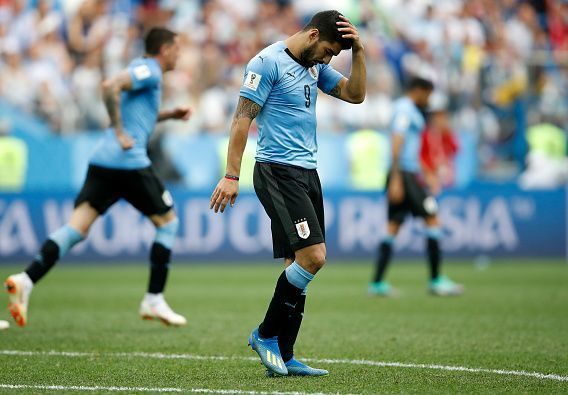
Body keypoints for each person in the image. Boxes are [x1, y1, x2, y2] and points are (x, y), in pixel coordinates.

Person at [210, 10, 365, 377]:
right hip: (277, 171)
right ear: (313, 35)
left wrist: (358, 50)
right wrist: (232, 175)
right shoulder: (266, 63)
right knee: (314, 257)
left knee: (296, 265)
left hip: (307, 172)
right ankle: (265, 335)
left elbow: (355, 95)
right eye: (328, 50)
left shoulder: (314, 66)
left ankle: (286, 353)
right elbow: (241, 120)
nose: (328, 59)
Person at [5, 27, 191, 327]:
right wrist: (118, 130)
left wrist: (170, 115)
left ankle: (26, 279)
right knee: (168, 223)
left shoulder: (143, 71)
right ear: (165, 48)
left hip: (103, 162)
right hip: (128, 163)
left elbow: (137, 115)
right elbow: (110, 86)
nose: (180, 54)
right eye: (177, 48)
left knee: (76, 228)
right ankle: (153, 299)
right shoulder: (151, 70)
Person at [369, 77, 463, 297]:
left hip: (406, 172)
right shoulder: (405, 109)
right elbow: (397, 141)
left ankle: (377, 283)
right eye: (428, 95)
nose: (428, 100)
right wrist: (396, 178)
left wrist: (427, 173)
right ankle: (436, 280)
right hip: (404, 174)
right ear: (419, 91)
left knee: (393, 225)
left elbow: (410, 148)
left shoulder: (408, 110)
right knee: (432, 218)